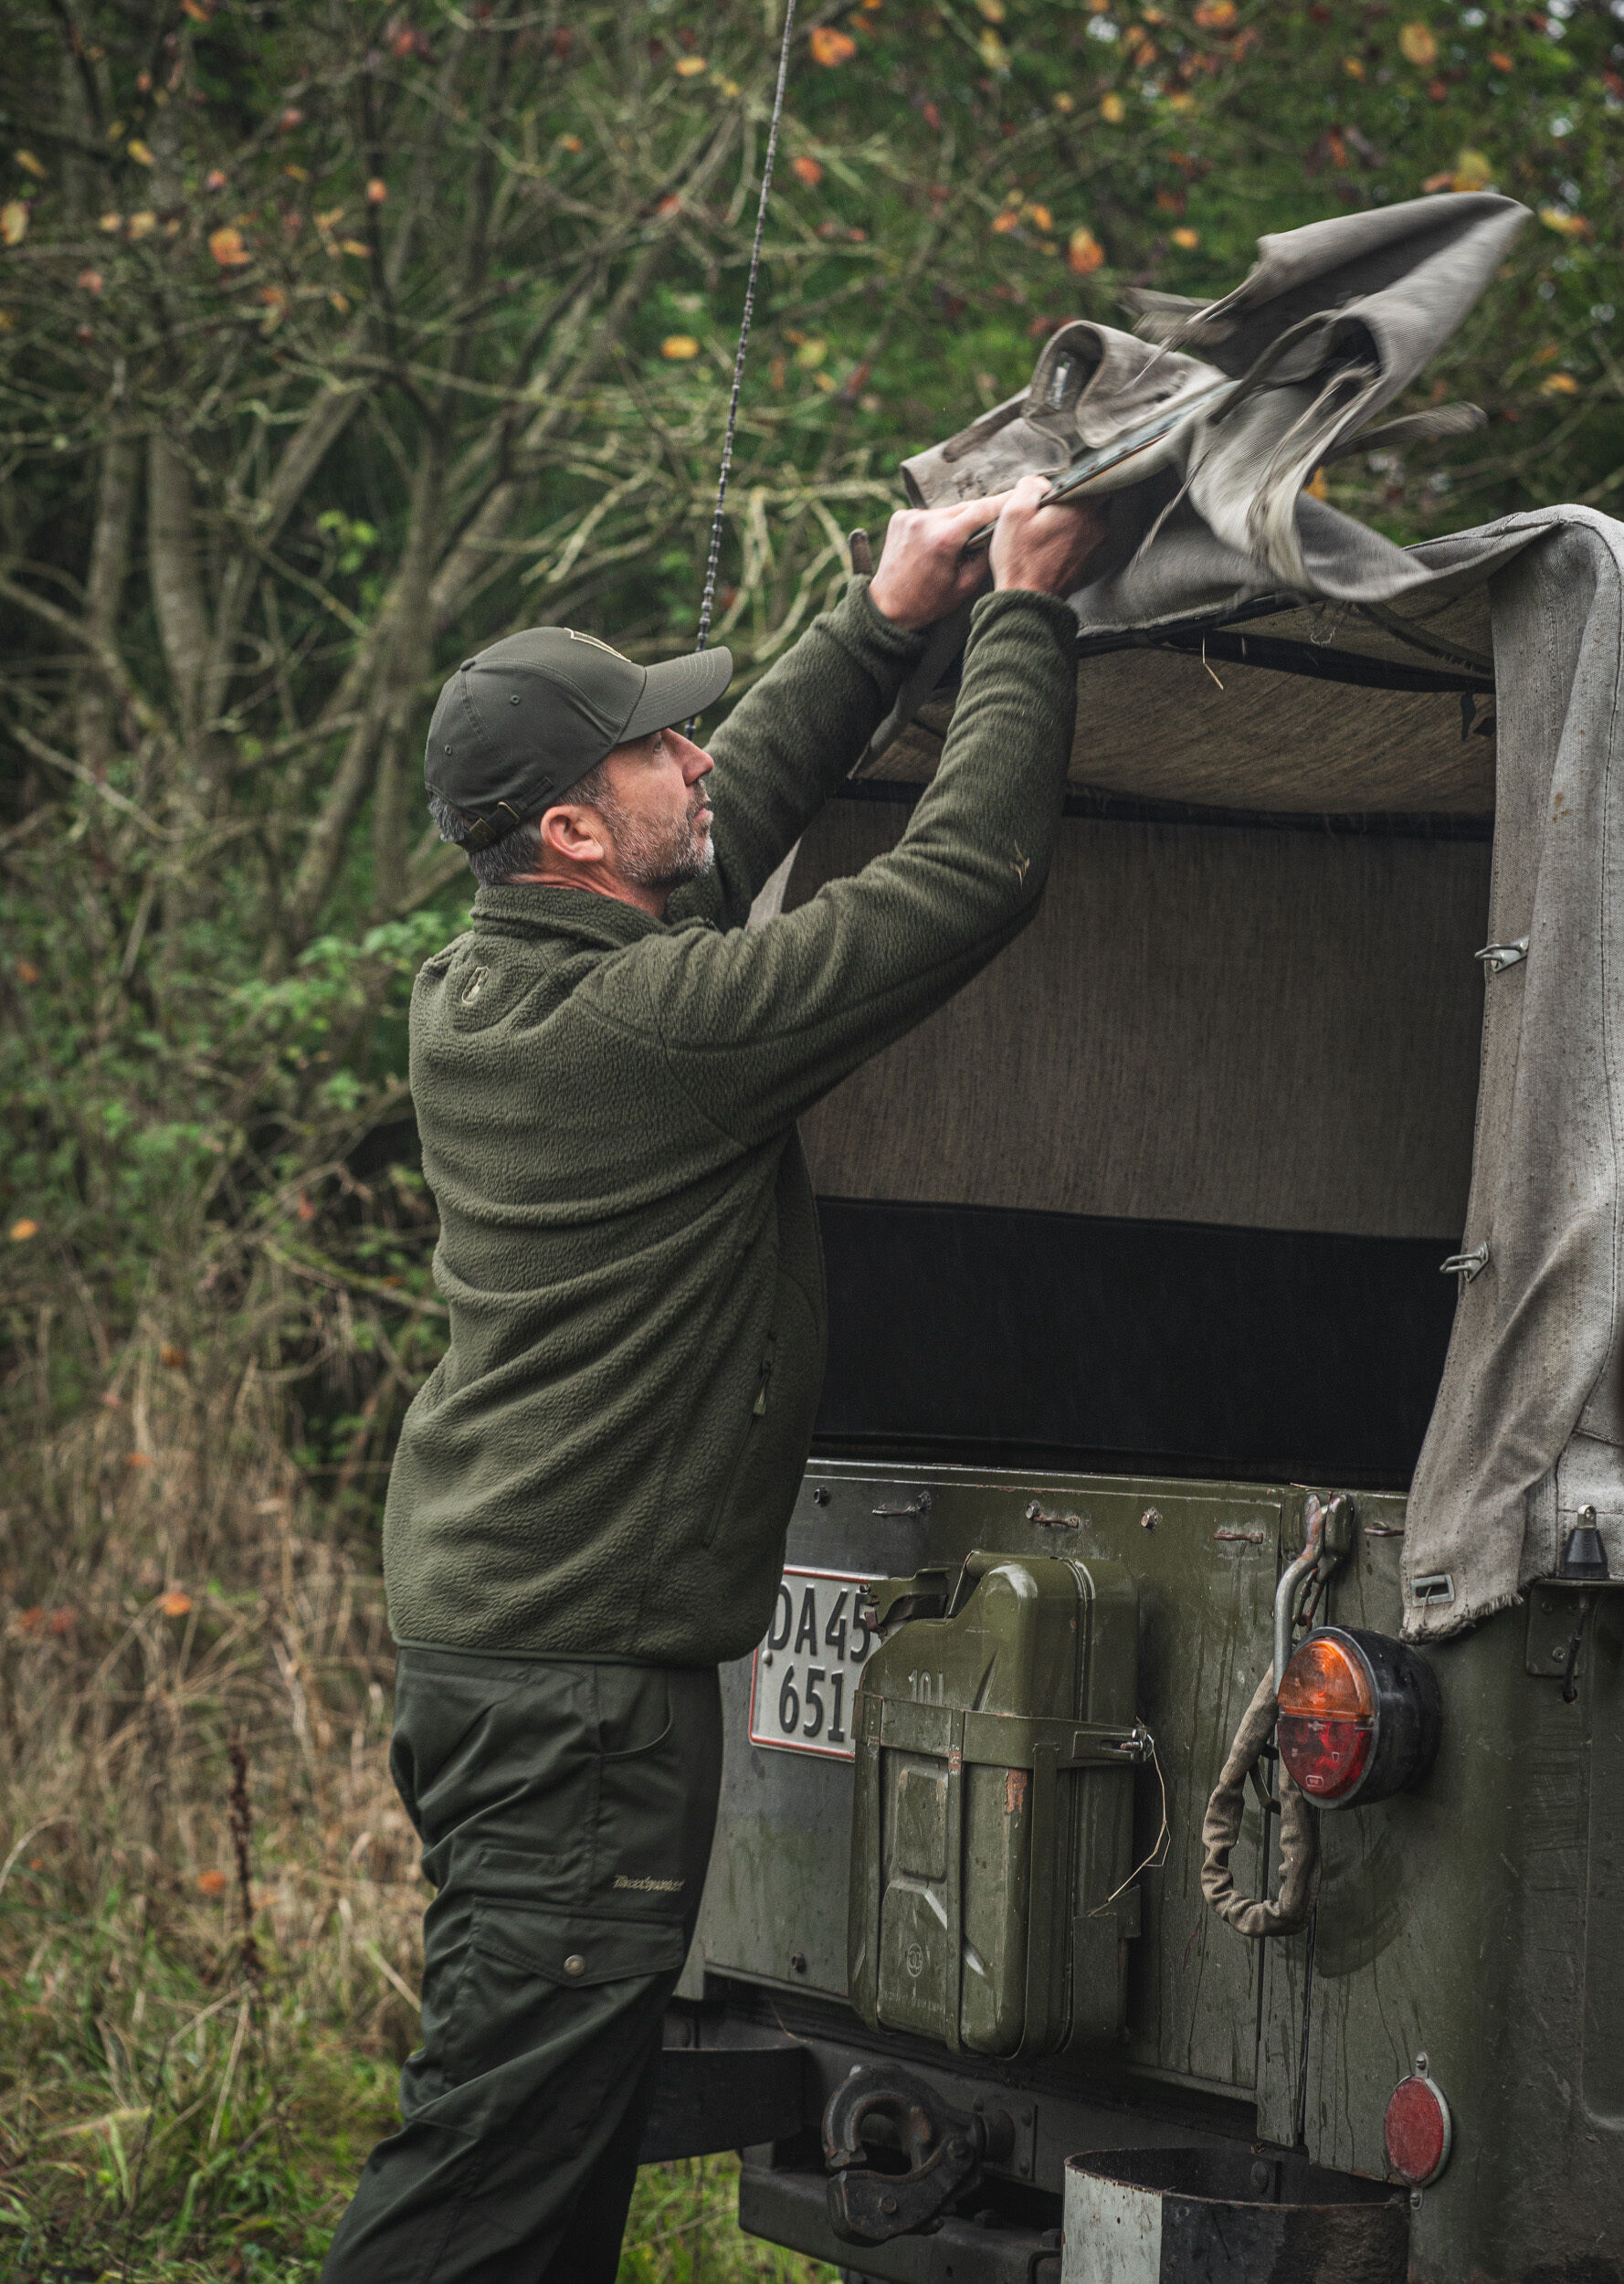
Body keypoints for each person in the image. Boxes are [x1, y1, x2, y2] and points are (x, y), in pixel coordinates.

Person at [320, 472, 1107, 2282]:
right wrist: (1026, 611)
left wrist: (886, 612)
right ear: (574, 833)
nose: (694, 756)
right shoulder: (652, 1030)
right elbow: (967, 875)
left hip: (512, 1657)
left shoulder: (488, 987)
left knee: (551, 2139)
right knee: (491, 2163)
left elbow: (721, 824)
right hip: (580, 1695)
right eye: (656, 746)